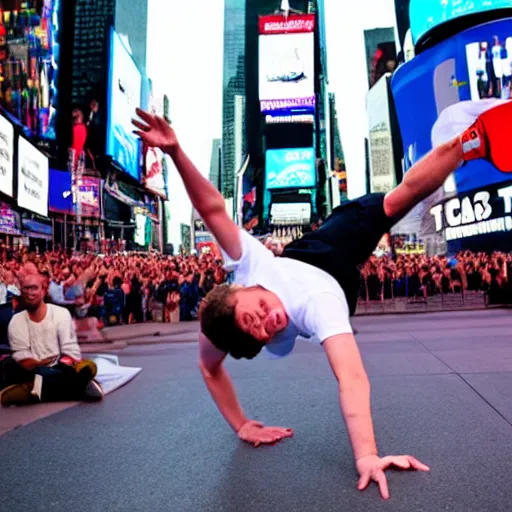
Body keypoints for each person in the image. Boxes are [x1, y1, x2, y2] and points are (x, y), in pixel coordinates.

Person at [132, 99, 512, 500]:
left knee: (397, 200)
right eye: (258, 332)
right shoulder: (263, 318)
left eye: (255, 313)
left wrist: (175, 151)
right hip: (335, 274)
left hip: (322, 247)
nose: (269, 321)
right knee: (389, 207)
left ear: (241, 288)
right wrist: (240, 424)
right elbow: (212, 369)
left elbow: (210, 207)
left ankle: (470, 141)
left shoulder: (249, 267)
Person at [0, 272, 103, 406]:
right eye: (26, 289)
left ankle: (37, 389)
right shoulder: (13, 317)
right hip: (22, 365)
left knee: (55, 367)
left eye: (33, 288)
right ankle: (76, 385)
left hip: (46, 365)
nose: (29, 293)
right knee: (11, 365)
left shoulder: (55, 314)